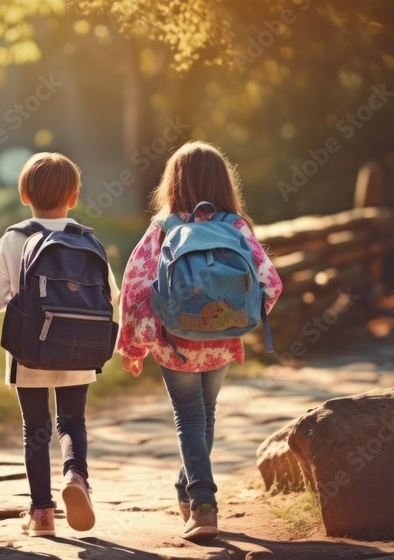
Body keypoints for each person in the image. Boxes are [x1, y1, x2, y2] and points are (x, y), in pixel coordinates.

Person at [117, 141, 282, 540]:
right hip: (224, 339)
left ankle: (203, 505)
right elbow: (271, 283)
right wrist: (236, 320)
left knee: (189, 416)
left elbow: (134, 289)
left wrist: (134, 345)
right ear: (224, 182)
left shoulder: (164, 227)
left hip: (175, 342)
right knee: (204, 415)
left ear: (172, 183)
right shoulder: (237, 226)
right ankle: (188, 492)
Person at [0, 153, 119, 537]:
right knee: (72, 421)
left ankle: (42, 514)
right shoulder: (86, 238)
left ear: (24, 194)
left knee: (35, 428)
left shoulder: (14, 237)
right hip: (81, 351)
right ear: (74, 196)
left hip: (30, 353)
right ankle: (76, 476)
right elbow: (113, 296)